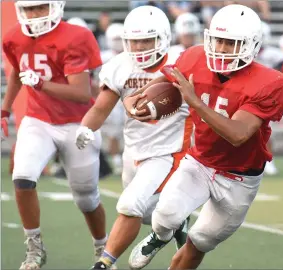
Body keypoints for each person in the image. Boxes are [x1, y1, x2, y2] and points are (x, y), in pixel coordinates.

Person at [127, 4, 283, 270]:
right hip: (200, 162)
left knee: (201, 240)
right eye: (219, 40)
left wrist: (196, 103)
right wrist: (137, 99)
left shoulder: (271, 82)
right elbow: (167, 80)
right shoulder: (194, 57)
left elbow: (238, 135)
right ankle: (158, 237)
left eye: (232, 43)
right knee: (164, 217)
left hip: (240, 177)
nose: (223, 48)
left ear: (253, 45)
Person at [74, 6, 192, 270]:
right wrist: (86, 128)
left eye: (146, 40)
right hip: (134, 151)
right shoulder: (120, 65)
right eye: (134, 40)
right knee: (149, 214)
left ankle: (104, 263)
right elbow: (101, 106)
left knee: (129, 204)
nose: (139, 46)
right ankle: (176, 220)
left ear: (163, 38)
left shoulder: (182, 62)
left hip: (169, 151)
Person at [1, 1, 108, 269]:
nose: (34, 15)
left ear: (56, 6)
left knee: (86, 197)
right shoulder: (14, 37)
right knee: (23, 177)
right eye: (29, 9)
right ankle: (34, 247)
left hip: (78, 124)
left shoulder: (76, 37)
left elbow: (82, 92)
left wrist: (40, 83)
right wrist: (4, 110)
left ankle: (103, 248)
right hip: (39, 120)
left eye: (40, 7)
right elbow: (16, 72)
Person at [255, 21, 283, 176]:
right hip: (247, 96)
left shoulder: (272, 54)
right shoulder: (244, 53)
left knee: (268, 132)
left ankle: (269, 162)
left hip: (267, 99)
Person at [101, 23, 126, 175]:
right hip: (110, 95)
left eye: (119, 39)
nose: (117, 43)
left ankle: (120, 160)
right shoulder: (103, 56)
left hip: (126, 96)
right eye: (114, 39)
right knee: (111, 131)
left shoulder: (130, 56)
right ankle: (115, 160)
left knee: (123, 130)